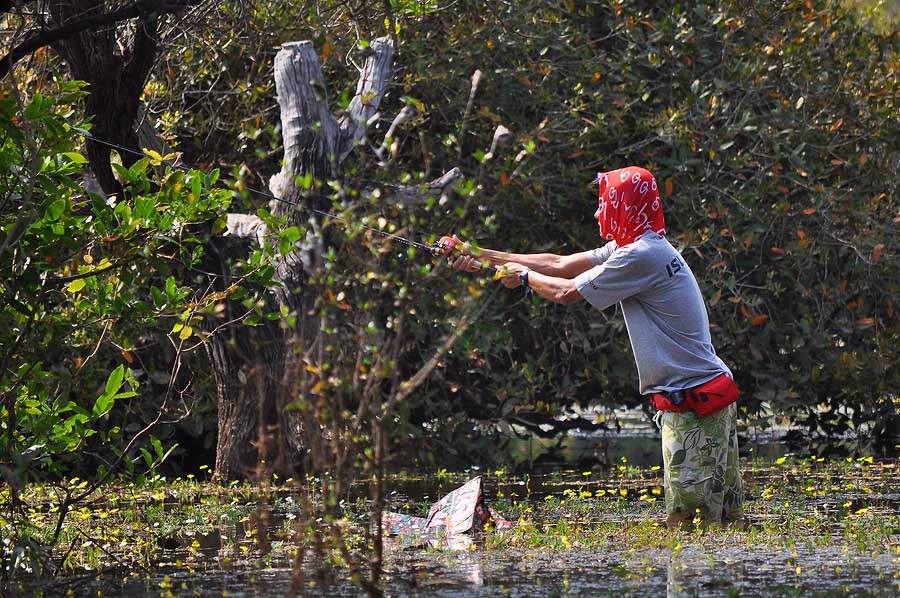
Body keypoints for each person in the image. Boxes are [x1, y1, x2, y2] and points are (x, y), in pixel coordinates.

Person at [448, 166, 743, 529]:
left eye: (605, 203)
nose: (598, 213)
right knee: (722, 530)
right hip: (707, 400)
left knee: (690, 528)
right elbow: (557, 265)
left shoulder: (640, 255)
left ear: (625, 204)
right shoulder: (638, 246)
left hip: (694, 405)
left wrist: (521, 278)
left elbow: (565, 291)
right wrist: (478, 255)